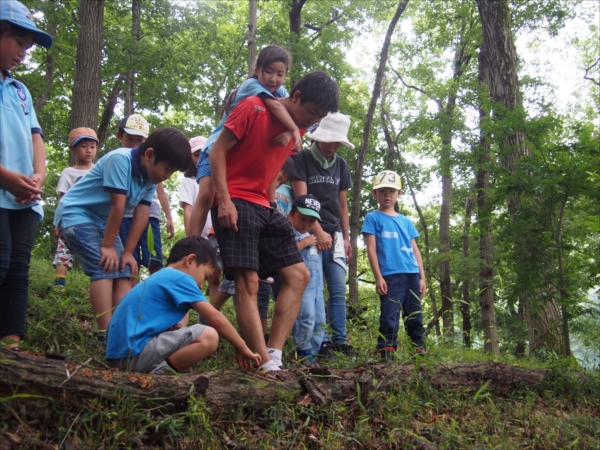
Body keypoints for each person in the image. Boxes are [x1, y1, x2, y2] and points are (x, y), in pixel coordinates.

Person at [210, 70, 339, 371]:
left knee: (299, 275)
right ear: (295, 97)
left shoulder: (300, 130)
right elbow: (217, 152)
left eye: (318, 118)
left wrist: (270, 204)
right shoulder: (252, 107)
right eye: (310, 113)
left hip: (263, 205)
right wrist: (224, 200)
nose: (311, 121)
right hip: (236, 200)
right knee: (248, 282)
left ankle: (275, 355)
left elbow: (273, 166)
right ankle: (264, 364)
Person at [54, 127, 191, 336]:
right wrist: (108, 246)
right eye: (166, 169)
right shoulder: (119, 160)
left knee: (125, 271)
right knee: (105, 266)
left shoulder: (151, 178)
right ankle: (106, 333)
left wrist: (128, 252)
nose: (167, 175)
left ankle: (123, 328)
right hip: (76, 214)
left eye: (171, 173)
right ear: (149, 154)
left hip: (100, 221)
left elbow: (142, 214)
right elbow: (118, 206)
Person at [188, 45, 301, 238]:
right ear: (257, 69)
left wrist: (290, 134)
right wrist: (294, 130)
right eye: (268, 71)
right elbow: (275, 107)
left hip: (236, 153)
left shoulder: (280, 91)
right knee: (207, 195)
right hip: (215, 148)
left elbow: (290, 109)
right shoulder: (251, 86)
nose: (273, 79)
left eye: (280, 74)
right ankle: (190, 243)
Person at [106, 236, 261, 374]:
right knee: (208, 335)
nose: (201, 285)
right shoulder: (179, 278)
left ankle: (156, 370)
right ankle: (159, 376)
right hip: (132, 355)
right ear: (190, 260)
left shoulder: (162, 276)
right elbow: (215, 318)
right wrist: (242, 347)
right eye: (205, 276)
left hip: (122, 354)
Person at [0, 0, 53, 349]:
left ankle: (11, 346)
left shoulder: (20, 90)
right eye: (19, 42)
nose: (23, 52)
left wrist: (39, 174)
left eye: (28, 47)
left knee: (18, 269)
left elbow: (36, 137)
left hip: (25, 197)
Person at [292, 112, 354, 356]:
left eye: (337, 142)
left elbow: (343, 206)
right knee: (314, 289)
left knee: (338, 289)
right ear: (318, 137)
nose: (331, 146)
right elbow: (301, 198)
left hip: (336, 235)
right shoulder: (303, 159)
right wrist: (318, 232)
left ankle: (340, 340)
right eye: (328, 139)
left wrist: (346, 238)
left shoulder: (341, 165)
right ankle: (321, 341)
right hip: (310, 231)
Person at [361, 170, 427, 359]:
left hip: (411, 273)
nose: (387, 195)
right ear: (375, 193)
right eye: (382, 191)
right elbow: (371, 249)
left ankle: (419, 351)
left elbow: (415, 250)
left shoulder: (406, 222)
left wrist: (422, 278)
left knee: (414, 314)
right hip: (390, 274)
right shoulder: (372, 218)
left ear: (399, 193)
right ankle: (386, 351)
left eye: (392, 191)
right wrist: (378, 277)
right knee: (390, 314)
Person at [116, 115, 174, 281]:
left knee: (154, 259)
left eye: (139, 140)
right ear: (120, 136)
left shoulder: (153, 164)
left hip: (151, 215)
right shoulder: (120, 160)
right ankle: (131, 293)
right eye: (130, 139)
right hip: (126, 215)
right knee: (130, 259)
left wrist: (169, 217)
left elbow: (161, 191)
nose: (134, 144)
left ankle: (157, 292)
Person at [53, 128, 98, 291]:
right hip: (70, 218)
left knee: (96, 251)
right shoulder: (68, 173)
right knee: (64, 248)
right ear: (73, 149)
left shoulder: (99, 170)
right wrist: (58, 222)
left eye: (92, 146)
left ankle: (98, 282)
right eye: (83, 146)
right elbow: (63, 199)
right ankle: (59, 282)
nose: (88, 150)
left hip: (94, 219)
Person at [289, 195, 326, 365]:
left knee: (320, 319)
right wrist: (305, 242)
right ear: (292, 215)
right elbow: (287, 253)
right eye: (302, 218)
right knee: (306, 315)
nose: (306, 224)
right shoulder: (290, 234)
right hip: (302, 286)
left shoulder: (313, 237)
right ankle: (303, 349)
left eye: (311, 221)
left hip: (317, 286)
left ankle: (314, 351)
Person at [179, 136, 211, 237]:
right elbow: (188, 209)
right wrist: (191, 238)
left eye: (204, 155)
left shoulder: (217, 180)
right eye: (197, 155)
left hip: (217, 235)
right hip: (199, 236)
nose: (201, 159)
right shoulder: (188, 182)